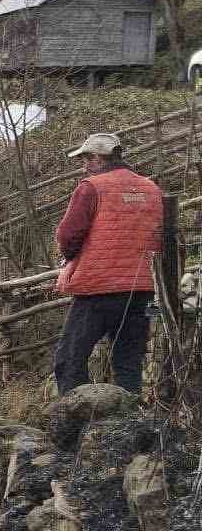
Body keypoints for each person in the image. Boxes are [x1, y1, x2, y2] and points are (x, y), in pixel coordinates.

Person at [52, 131, 162, 395]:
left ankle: (73, 420)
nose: (84, 166)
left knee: (70, 359)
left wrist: (71, 258)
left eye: (87, 159)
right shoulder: (151, 188)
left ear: (99, 158)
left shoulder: (92, 187)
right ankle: (130, 422)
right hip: (142, 288)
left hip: (98, 288)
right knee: (128, 361)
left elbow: (68, 235)